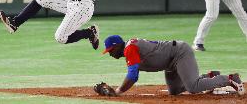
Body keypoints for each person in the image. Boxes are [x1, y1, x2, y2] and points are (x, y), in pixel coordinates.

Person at [102, 35, 245, 95]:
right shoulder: (129, 49)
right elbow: (134, 74)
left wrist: (118, 91)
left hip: (179, 53)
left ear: (117, 46)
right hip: (170, 63)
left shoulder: (130, 49)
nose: (109, 53)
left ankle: (231, 79)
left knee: (193, 87)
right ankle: (210, 77)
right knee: (175, 91)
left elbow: (133, 76)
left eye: (110, 50)